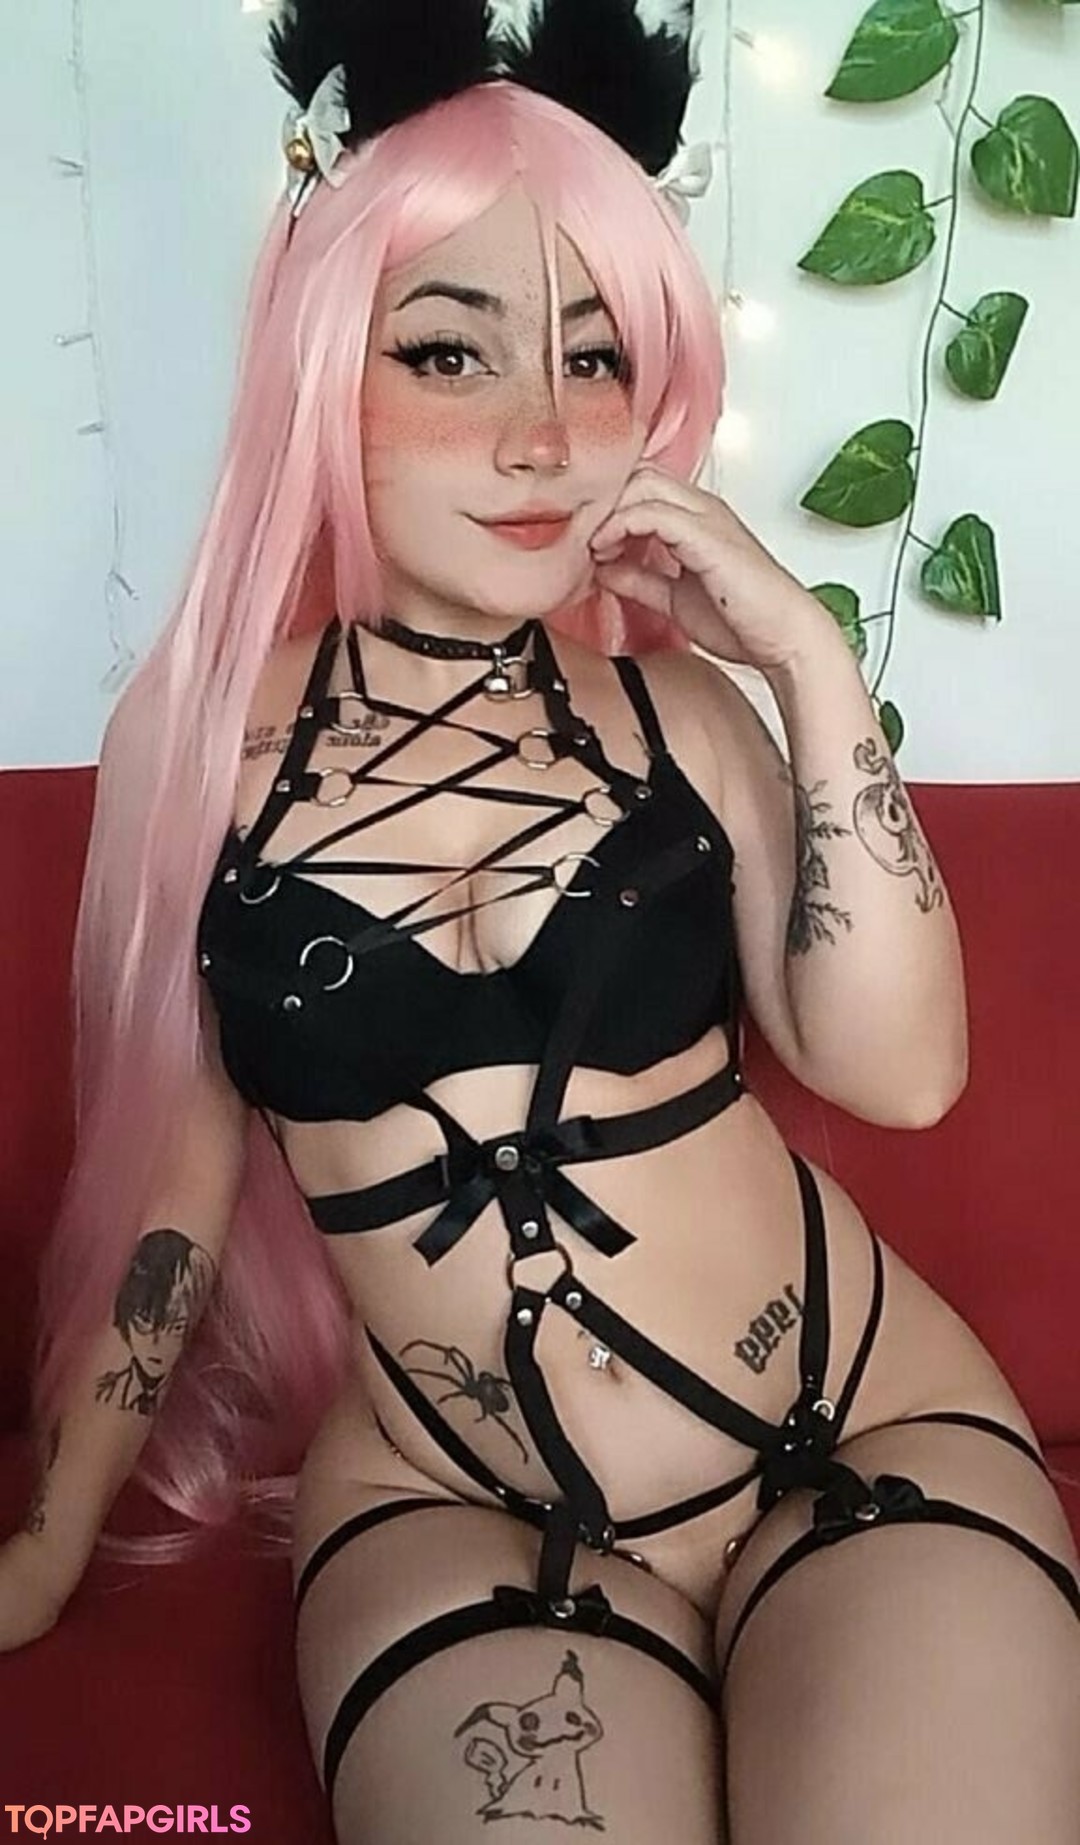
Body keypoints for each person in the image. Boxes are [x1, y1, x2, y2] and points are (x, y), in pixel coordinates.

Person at [3, 2, 1078, 1839]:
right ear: (322, 365)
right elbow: (171, 1190)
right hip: (460, 1509)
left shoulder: (685, 714)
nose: (543, 435)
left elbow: (902, 1077)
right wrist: (48, 1536)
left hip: (855, 1428)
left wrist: (807, 663)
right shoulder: (191, 745)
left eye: (596, 360)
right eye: (450, 351)